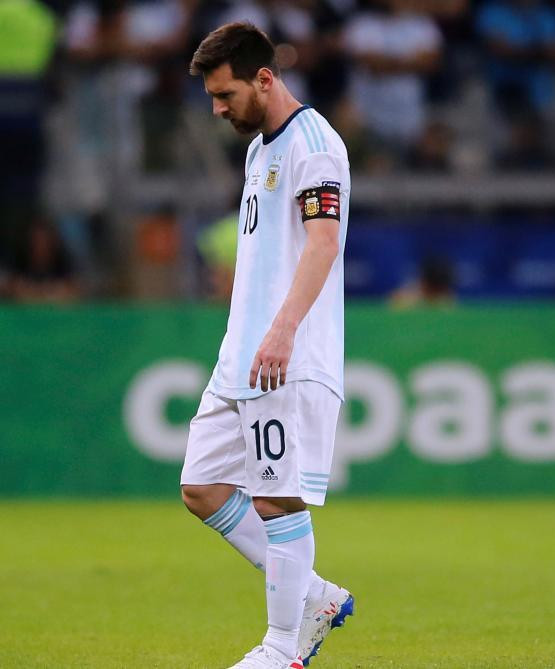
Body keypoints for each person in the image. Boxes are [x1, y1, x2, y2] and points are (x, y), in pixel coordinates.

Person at [181, 22, 354, 669]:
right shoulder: (258, 150)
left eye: (225, 95)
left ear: (264, 78)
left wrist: (281, 330)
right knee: (201, 485)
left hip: (287, 355)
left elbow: (322, 242)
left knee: (275, 496)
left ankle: (284, 648)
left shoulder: (315, 145)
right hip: (240, 359)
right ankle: (313, 594)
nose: (218, 108)